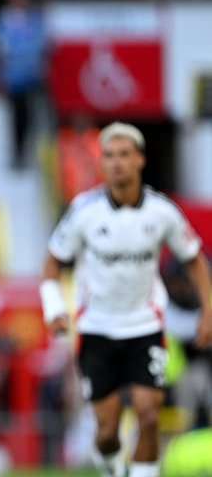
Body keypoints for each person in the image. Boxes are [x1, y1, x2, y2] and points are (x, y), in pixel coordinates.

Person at [40, 122, 212, 477]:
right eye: (109, 156)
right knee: (106, 432)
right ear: (102, 164)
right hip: (97, 328)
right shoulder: (84, 212)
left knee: (149, 414)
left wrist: (209, 310)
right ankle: (113, 467)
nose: (116, 163)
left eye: (123, 155)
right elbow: (53, 263)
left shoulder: (161, 212)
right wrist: (54, 308)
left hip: (144, 325)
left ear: (140, 160)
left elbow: (193, 258)